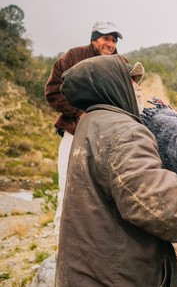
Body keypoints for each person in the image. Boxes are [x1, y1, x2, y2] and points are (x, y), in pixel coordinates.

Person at [55, 54, 177, 286]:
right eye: (130, 80)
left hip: (93, 268)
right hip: (117, 276)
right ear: (112, 85)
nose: (139, 88)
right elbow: (164, 206)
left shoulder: (92, 123)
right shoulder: (125, 133)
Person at [44, 20, 127, 239]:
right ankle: (60, 238)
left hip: (108, 136)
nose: (110, 44)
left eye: (113, 39)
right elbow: (53, 92)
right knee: (67, 184)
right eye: (105, 38)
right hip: (75, 131)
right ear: (94, 38)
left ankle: (97, 240)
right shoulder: (72, 57)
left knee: (105, 188)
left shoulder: (121, 64)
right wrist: (79, 114)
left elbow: (128, 98)